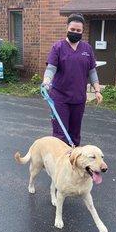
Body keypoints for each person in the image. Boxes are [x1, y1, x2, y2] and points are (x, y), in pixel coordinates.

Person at [42, 13, 103, 146]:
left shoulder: (87, 49)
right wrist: (46, 81)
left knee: (75, 134)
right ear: (67, 28)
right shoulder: (58, 47)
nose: (75, 32)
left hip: (79, 99)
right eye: (72, 30)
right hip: (60, 98)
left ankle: (73, 162)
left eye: (78, 30)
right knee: (60, 134)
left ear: (82, 31)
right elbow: (51, 68)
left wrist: (97, 90)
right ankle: (59, 163)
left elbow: (92, 71)